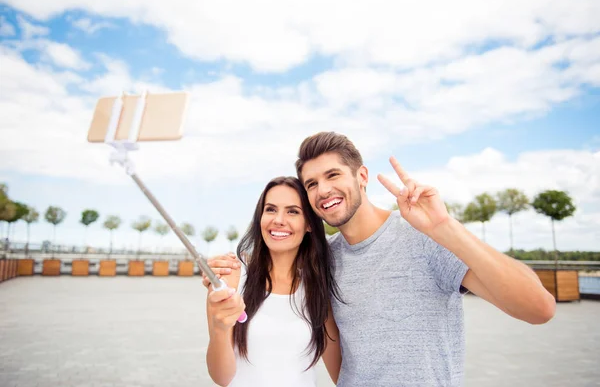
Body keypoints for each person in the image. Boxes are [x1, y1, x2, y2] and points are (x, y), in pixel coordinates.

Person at [207, 132, 557, 386]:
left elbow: (538, 309)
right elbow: (272, 265)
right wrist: (223, 273)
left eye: (332, 175)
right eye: (311, 183)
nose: (322, 190)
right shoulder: (324, 263)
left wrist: (445, 227)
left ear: (361, 177)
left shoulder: (425, 238)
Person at [205, 176, 344, 386]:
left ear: (309, 224)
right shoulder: (231, 278)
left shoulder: (318, 286)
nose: (278, 219)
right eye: (270, 209)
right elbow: (221, 377)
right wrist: (219, 329)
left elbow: (341, 375)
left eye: (292, 211)